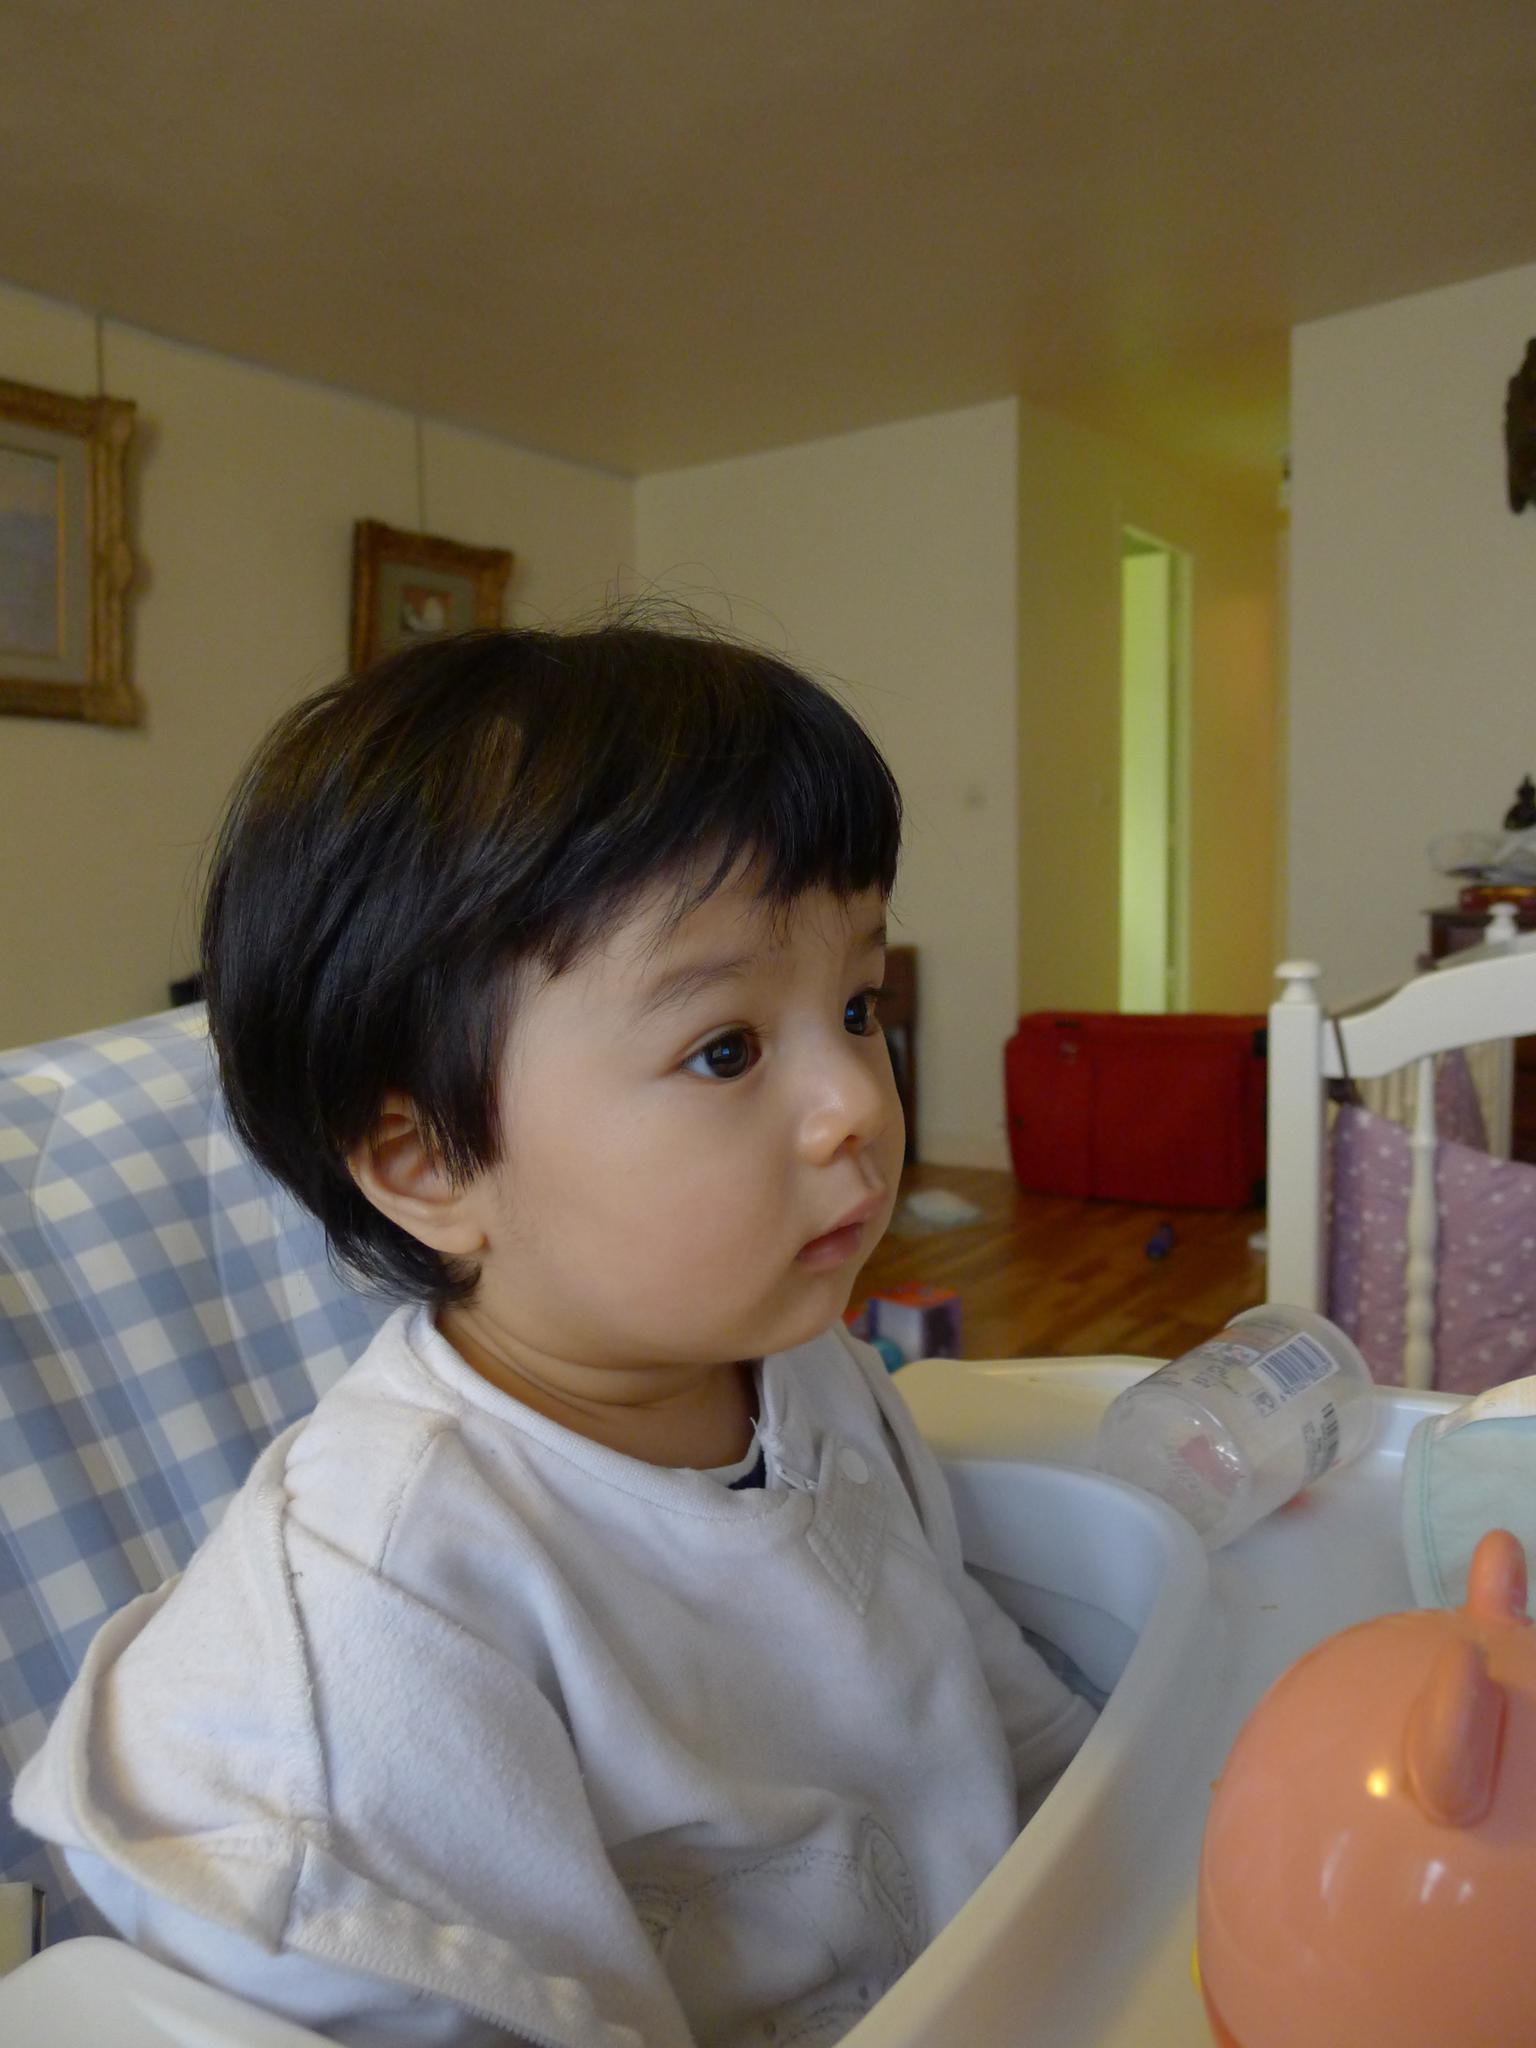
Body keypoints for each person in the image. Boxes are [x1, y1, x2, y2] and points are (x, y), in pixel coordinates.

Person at [14, 622, 1096, 2047]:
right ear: (427, 1164)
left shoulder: (793, 1358)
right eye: (725, 1048)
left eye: (856, 1006)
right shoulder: (384, 1622)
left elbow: (980, 1699)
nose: (859, 1100)